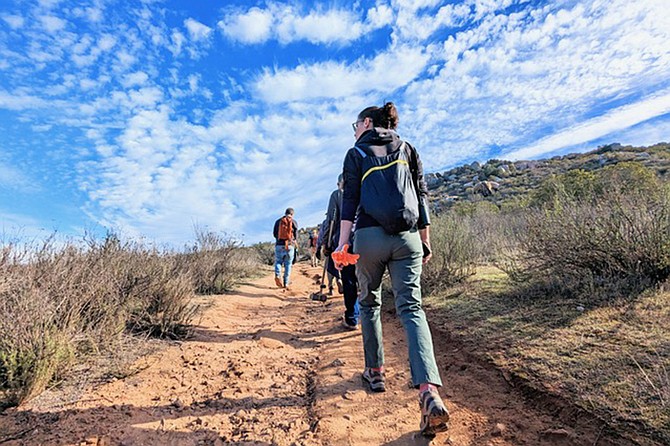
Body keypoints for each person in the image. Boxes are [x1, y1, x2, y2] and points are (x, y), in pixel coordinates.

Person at [333, 102, 449, 436]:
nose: (354, 129)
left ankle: (375, 371)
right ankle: (429, 391)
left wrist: (343, 244)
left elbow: (350, 201)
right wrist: (425, 239)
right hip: (408, 237)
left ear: (367, 122)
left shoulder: (356, 152)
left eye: (355, 124)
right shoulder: (408, 148)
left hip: (369, 238)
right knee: (412, 308)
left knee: (369, 304)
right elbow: (421, 195)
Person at [324, 174, 359, 329]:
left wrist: (327, 242)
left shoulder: (337, 194)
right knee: (367, 279)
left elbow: (331, 220)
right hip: (367, 239)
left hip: (345, 242)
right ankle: (368, 316)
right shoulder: (365, 190)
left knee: (349, 279)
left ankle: (352, 317)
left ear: (340, 183)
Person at [273, 208, 298, 289]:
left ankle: (277, 275)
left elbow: (274, 234)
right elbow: (296, 235)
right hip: (290, 246)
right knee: (288, 264)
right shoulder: (294, 222)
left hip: (279, 245)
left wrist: (279, 239)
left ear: (285, 213)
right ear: (292, 214)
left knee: (278, 262)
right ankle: (286, 283)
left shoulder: (278, 221)